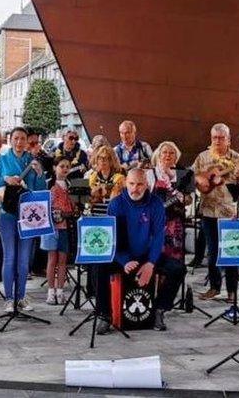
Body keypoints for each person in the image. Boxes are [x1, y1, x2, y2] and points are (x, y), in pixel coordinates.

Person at [96, 169, 186, 334]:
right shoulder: (116, 204)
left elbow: (159, 235)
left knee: (178, 268)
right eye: (131, 183)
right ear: (125, 183)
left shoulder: (156, 204)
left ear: (147, 185)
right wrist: (124, 261)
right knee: (99, 267)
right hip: (123, 253)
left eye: (139, 184)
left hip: (147, 254)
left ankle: (159, 310)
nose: (135, 188)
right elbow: (111, 238)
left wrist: (151, 263)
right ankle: (105, 315)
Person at [0, 127, 48, 312]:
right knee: (10, 257)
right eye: (16, 138)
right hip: (7, 214)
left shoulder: (31, 161)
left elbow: (39, 188)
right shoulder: (1, 161)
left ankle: (21, 296)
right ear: (10, 139)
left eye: (23, 138)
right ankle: (9, 298)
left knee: (24, 259)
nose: (19, 142)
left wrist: (39, 174)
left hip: (28, 214)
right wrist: (5, 180)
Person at [192, 123, 239, 302]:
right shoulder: (203, 157)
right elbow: (194, 177)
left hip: (229, 211)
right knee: (213, 250)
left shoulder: (238, 159)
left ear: (228, 140)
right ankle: (214, 287)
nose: (217, 141)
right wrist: (203, 182)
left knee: (230, 251)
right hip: (208, 210)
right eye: (214, 138)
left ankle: (232, 291)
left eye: (221, 138)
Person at [147, 141, 195, 263]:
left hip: (176, 223)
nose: (168, 155)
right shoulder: (150, 174)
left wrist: (183, 198)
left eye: (171, 153)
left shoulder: (184, 175)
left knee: (175, 258)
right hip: (156, 222)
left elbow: (189, 200)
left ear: (176, 156)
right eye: (164, 152)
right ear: (159, 155)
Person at [43, 158, 78, 305]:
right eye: (61, 166)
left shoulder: (71, 186)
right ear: (54, 167)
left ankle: (60, 291)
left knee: (63, 260)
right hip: (51, 228)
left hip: (65, 227)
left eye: (67, 166)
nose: (64, 169)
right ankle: (51, 291)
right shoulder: (49, 184)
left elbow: (73, 207)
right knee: (52, 259)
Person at [87, 145, 125, 216]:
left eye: (105, 158)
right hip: (95, 215)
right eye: (99, 158)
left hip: (112, 216)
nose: (102, 160)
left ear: (111, 161)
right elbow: (89, 200)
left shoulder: (119, 178)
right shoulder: (92, 177)